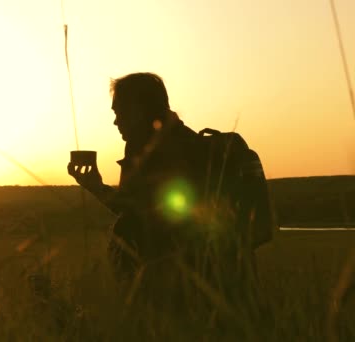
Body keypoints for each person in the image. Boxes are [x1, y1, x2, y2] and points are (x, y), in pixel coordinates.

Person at [67, 72, 272, 310]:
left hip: (191, 295)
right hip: (228, 290)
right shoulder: (179, 144)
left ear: (139, 110)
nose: (116, 121)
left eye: (119, 112)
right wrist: (96, 187)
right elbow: (139, 211)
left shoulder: (167, 152)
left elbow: (141, 219)